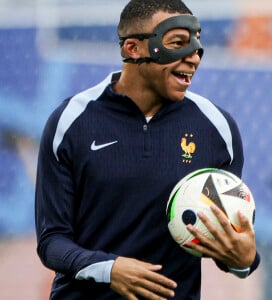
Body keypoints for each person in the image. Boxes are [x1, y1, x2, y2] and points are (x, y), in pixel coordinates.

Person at [35, 0, 260, 299]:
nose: (193, 56)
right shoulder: (71, 121)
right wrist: (109, 269)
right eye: (178, 43)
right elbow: (53, 242)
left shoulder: (217, 128)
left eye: (196, 44)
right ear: (133, 49)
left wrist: (244, 260)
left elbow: (223, 243)